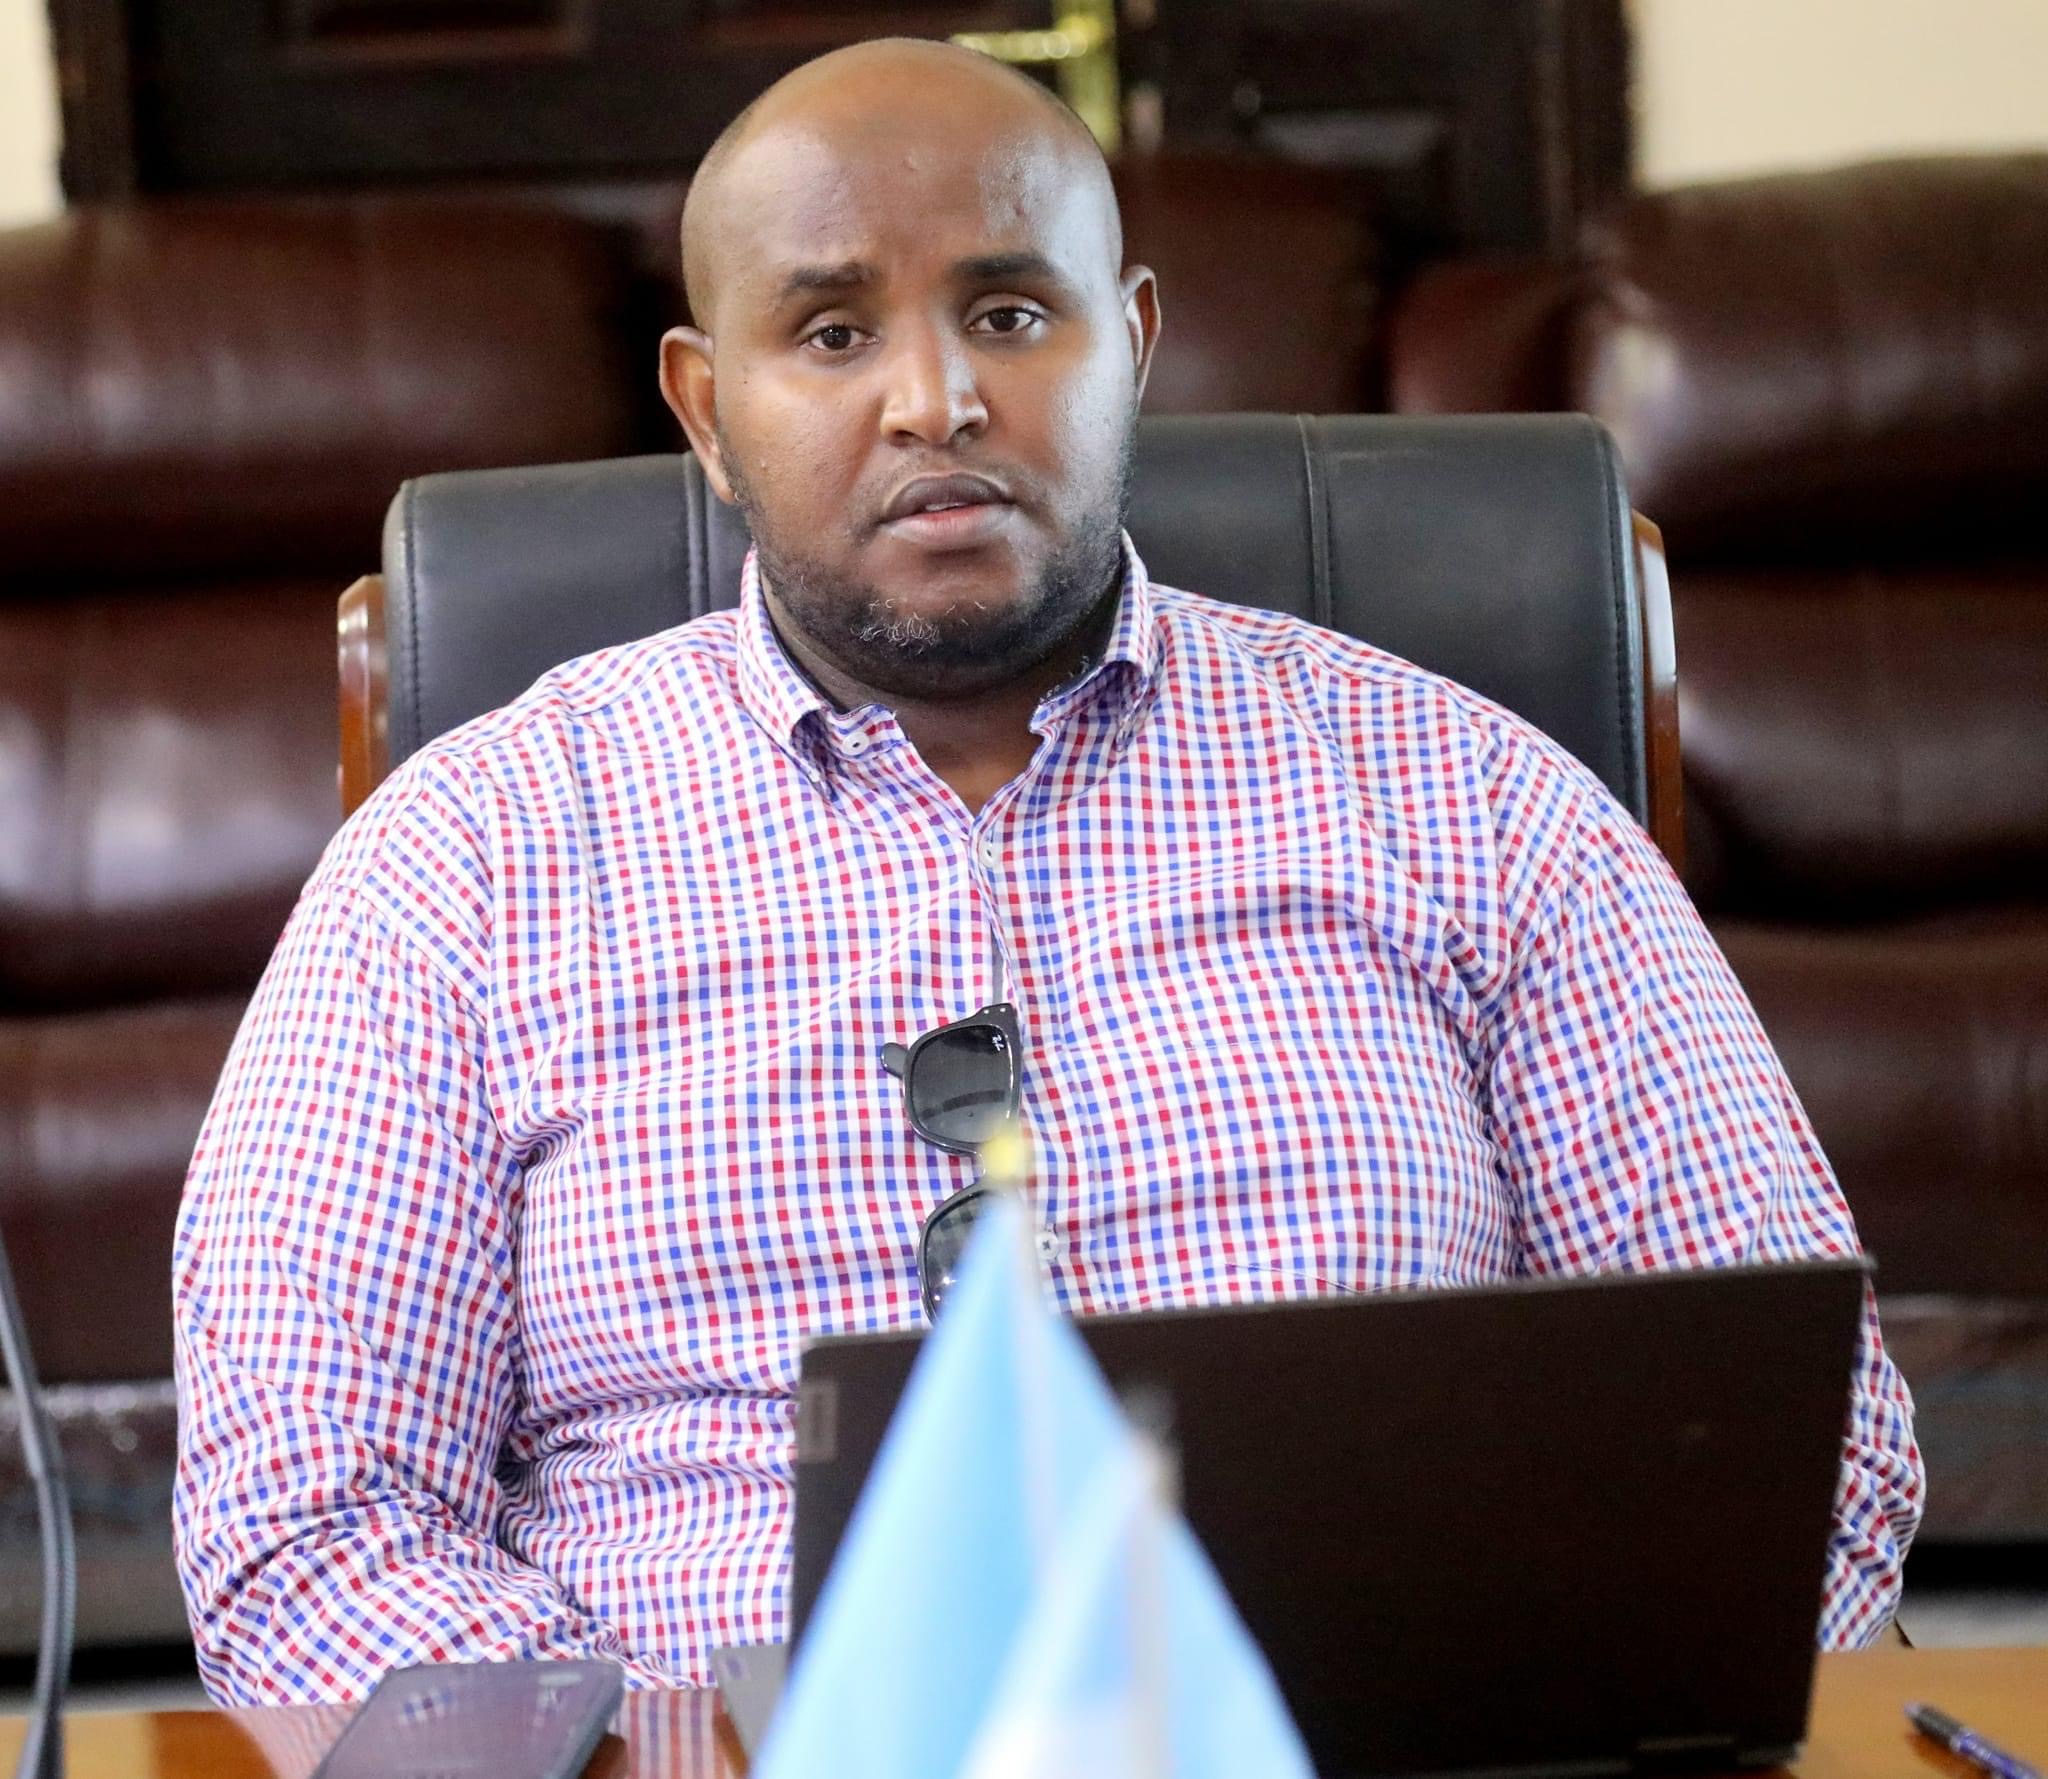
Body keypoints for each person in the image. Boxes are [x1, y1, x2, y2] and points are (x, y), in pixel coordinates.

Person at [172, 37, 1922, 1705]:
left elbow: (1804, 1441)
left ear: (1131, 343)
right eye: (832, 332)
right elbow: (303, 1530)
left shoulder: (1469, 801)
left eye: (1010, 314)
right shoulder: (467, 859)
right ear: (708, 408)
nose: (936, 401)